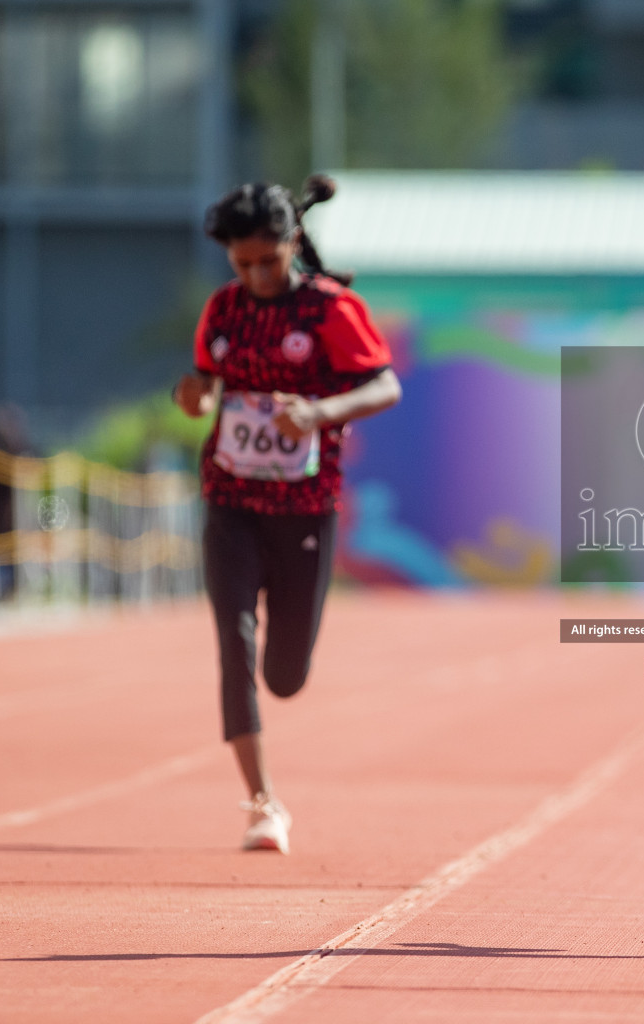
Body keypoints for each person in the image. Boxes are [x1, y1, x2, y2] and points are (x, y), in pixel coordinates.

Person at [174, 176, 402, 854]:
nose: (255, 275)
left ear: (292, 244)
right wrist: (193, 397)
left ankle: (268, 770)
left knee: (286, 676)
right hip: (231, 501)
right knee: (233, 643)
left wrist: (319, 413)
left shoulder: (329, 310)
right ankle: (262, 804)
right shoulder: (222, 311)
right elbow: (202, 388)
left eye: (267, 262)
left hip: (304, 507)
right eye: (242, 265)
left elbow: (385, 384)